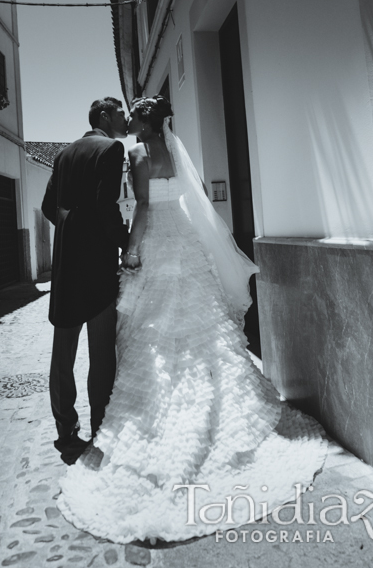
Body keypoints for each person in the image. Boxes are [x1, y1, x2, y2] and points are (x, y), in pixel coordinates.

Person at [57, 96, 327, 543]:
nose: (131, 123)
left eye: (135, 117)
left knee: (155, 327)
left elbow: (142, 206)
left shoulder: (139, 153)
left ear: (145, 121)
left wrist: (131, 250)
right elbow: (192, 198)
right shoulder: (176, 151)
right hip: (183, 236)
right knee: (199, 321)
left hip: (159, 240)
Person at [42, 97, 129, 465]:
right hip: (96, 270)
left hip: (66, 268)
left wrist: (71, 230)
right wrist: (126, 241)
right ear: (105, 116)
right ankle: (100, 427)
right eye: (121, 112)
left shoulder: (63, 155)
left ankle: (66, 429)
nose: (125, 118)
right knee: (101, 355)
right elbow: (106, 206)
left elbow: (49, 206)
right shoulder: (110, 149)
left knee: (63, 354)